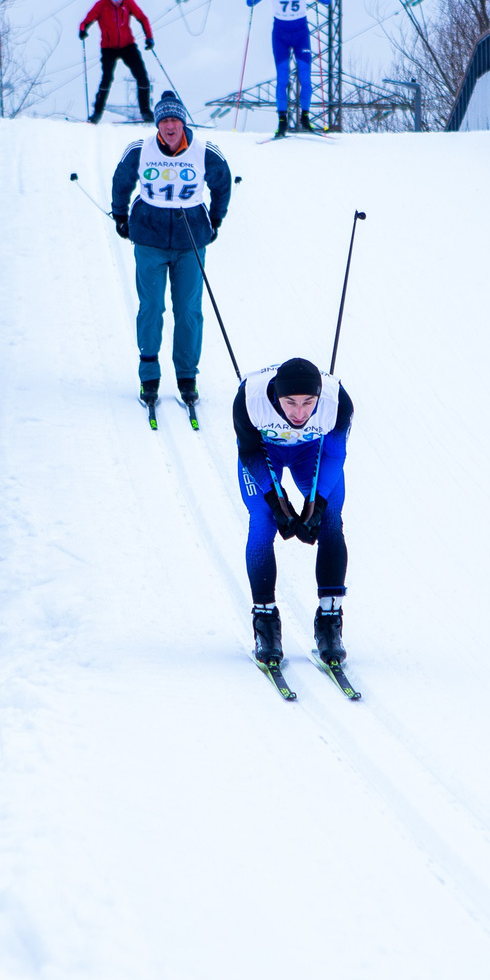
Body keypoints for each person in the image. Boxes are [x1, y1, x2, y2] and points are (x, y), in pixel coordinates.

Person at [110, 90, 232, 410]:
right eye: (164, 120)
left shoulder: (206, 150)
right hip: (149, 239)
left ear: (183, 122)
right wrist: (120, 215)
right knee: (151, 308)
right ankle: (149, 376)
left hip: (190, 240)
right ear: (157, 125)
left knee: (188, 311)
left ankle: (187, 377)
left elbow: (222, 182)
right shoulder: (141, 149)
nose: (169, 126)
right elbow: (121, 180)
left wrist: (216, 218)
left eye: (175, 119)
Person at [233, 356, 351, 669]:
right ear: (275, 396)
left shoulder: (337, 402)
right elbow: (249, 452)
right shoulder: (250, 398)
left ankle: (329, 621)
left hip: (311, 453)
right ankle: (265, 622)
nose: (299, 413)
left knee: (330, 523)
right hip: (263, 451)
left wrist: (318, 504)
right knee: (263, 520)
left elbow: (335, 455)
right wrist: (277, 501)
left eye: (308, 403)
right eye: (290, 403)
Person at [245, 0, 331, 137]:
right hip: (280, 35)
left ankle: (305, 118)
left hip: (301, 34)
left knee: (305, 78)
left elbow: (325, 0)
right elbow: (250, 2)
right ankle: (282, 122)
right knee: (282, 78)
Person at [80, 0, 156, 124]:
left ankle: (146, 112)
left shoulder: (128, 2)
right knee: (107, 78)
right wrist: (83, 30)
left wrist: (149, 38)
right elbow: (87, 20)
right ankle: (96, 113)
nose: (118, 1)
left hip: (127, 45)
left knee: (142, 76)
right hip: (108, 48)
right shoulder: (101, 5)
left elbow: (142, 18)